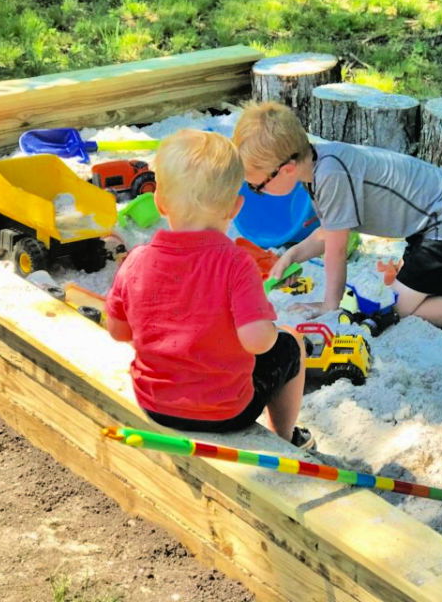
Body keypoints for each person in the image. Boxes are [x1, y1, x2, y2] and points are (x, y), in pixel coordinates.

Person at [232, 102, 442, 328]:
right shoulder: (318, 165)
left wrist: (328, 305)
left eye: (257, 186)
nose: (256, 191)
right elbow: (327, 232)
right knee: (432, 277)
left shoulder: (330, 177)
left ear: (285, 170)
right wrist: (294, 253)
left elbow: (336, 250)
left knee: (401, 307)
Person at [105, 129, 314, 449]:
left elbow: (119, 332)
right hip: (226, 412)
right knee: (291, 344)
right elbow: (257, 342)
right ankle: (286, 439)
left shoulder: (136, 261)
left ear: (159, 203)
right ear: (235, 207)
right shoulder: (236, 264)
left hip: (155, 405)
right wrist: (267, 329)